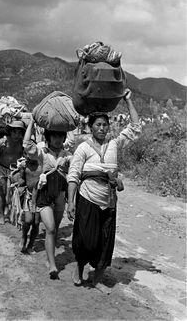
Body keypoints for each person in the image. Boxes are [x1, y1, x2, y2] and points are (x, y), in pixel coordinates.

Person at [67, 88, 141, 293]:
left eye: (105, 124)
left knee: (105, 242)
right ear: (90, 127)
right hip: (87, 197)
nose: (102, 128)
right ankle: (79, 266)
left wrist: (128, 101)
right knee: (85, 240)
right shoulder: (83, 148)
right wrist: (71, 202)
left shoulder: (114, 144)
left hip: (108, 200)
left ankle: (96, 279)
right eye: (98, 124)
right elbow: (73, 175)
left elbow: (135, 128)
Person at [23, 122, 73, 280]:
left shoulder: (67, 155)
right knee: (50, 228)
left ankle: (49, 258)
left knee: (55, 229)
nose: (58, 139)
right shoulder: (42, 153)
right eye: (54, 136)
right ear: (48, 138)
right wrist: (32, 121)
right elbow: (26, 144)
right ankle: (52, 266)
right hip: (44, 195)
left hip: (60, 196)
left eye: (60, 136)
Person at [0, 120, 26, 224]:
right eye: (15, 132)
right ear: (10, 131)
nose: (17, 135)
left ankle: (15, 214)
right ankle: (2, 216)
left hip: (15, 170)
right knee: (2, 192)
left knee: (18, 192)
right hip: (2, 168)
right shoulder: (2, 142)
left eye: (20, 133)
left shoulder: (21, 143)